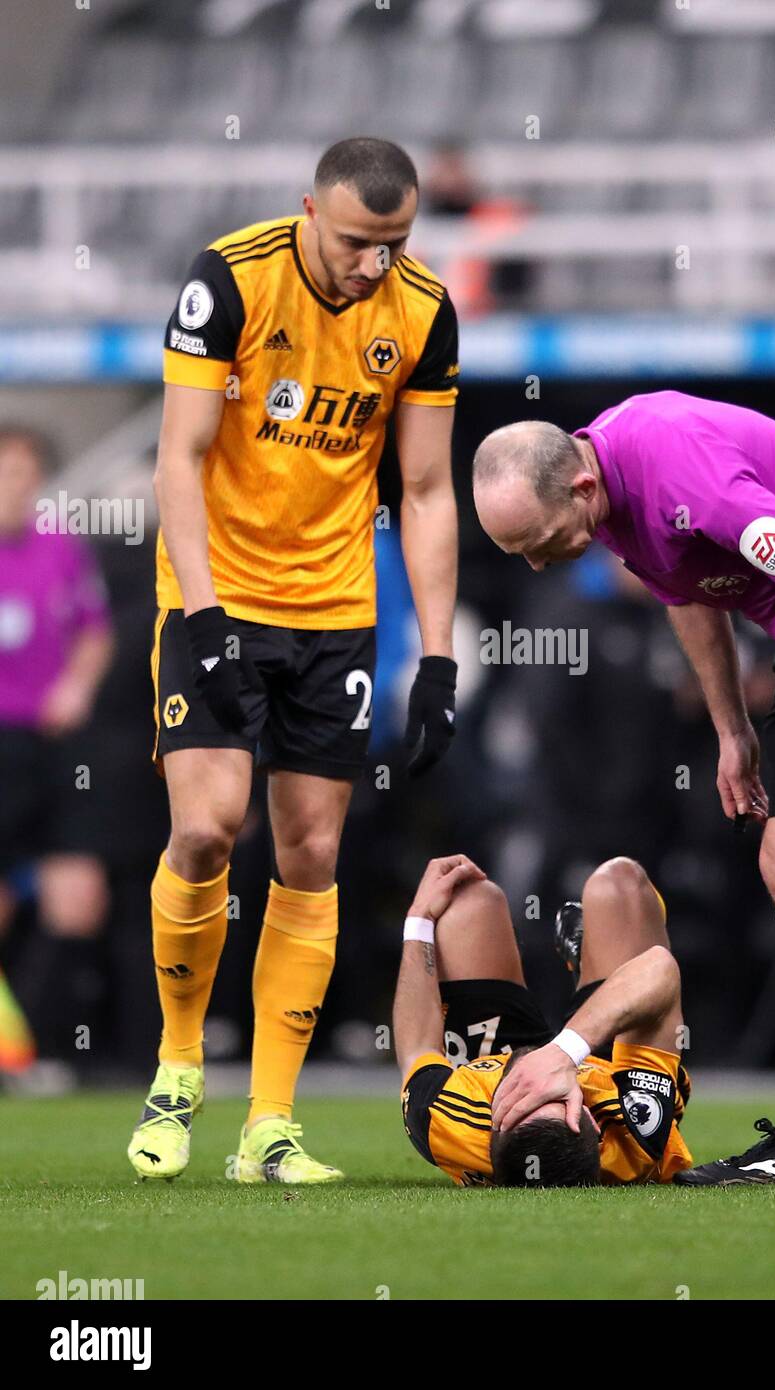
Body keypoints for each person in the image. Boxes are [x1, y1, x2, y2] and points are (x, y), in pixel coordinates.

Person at [472, 391, 775, 1185]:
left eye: (537, 543)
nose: (536, 563)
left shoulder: (678, 471)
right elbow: (690, 595)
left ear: (580, 489)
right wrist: (732, 729)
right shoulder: (610, 502)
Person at [128, 138, 461, 1184]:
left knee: (311, 855)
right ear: (308, 209)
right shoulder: (230, 278)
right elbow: (178, 458)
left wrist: (438, 659)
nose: (376, 264)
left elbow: (428, 491)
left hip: (335, 614)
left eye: (396, 242)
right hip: (214, 592)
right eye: (361, 241)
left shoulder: (421, 310)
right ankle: (179, 1064)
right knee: (204, 827)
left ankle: (268, 1124)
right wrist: (212, 615)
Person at [393, 854, 693, 1187]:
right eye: (554, 1096)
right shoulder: (632, 1128)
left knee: (468, 900)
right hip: (608, 1067)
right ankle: (595, 971)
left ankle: (591, 965)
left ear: (492, 1125)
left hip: (492, 1060)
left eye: (520, 1099)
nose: (538, 1083)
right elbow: (659, 969)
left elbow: (416, 1045)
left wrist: (418, 920)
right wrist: (563, 1053)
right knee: (620, 883)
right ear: (593, 1126)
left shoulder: (449, 1120)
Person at [0, 426, 114, 1074]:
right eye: (5, 474)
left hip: (54, 748)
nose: (16, 487)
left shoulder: (61, 549)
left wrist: (75, 686)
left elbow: (93, 634)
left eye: (25, 474)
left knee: (79, 895)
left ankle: (43, 1051)